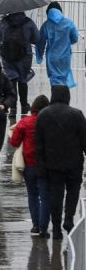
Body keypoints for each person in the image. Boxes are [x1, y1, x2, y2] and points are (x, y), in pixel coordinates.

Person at [36, 85, 86, 239]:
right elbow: (85, 141)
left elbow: (39, 144)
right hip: (74, 163)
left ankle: (56, 227)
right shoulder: (77, 114)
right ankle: (69, 218)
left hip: (53, 164)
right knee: (73, 191)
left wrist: (41, 166)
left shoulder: (43, 115)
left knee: (55, 195)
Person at [11, 95, 51, 237]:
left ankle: (35, 225)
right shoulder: (49, 122)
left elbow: (14, 142)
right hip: (45, 166)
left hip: (29, 165)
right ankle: (44, 228)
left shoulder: (25, 122)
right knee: (45, 197)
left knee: (32, 195)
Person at [37, 1, 80, 89]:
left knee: (54, 81)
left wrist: (39, 57)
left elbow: (40, 43)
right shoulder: (69, 23)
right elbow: (75, 38)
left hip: (52, 58)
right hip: (65, 57)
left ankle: (55, 100)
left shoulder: (46, 25)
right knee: (64, 81)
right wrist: (66, 42)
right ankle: (64, 100)